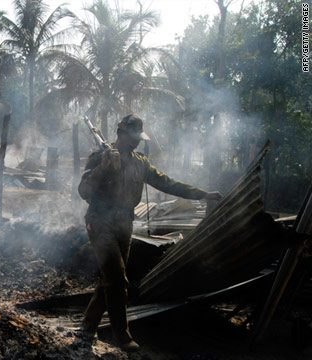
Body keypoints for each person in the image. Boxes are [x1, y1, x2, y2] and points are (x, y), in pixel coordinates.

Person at [77, 114, 222, 352]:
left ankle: (87, 326)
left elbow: (167, 183)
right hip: (100, 221)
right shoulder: (98, 158)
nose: (136, 142)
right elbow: (83, 191)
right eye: (132, 136)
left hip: (125, 225)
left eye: (138, 137)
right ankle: (122, 335)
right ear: (120, 133)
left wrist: (202, 193)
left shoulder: (141, 162)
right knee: (117, 279)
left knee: (110, 279)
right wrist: (102, 169)